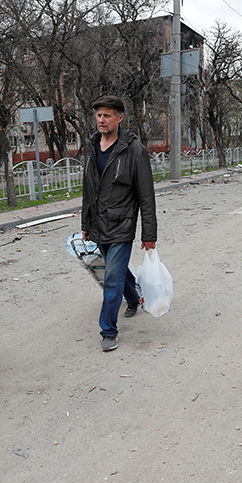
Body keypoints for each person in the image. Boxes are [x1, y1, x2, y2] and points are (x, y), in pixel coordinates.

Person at [81, 95, 158, 352]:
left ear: (120, 118)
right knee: (118, 270)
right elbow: (88, 190)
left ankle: (109, 331)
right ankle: (133, 298)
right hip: (99, 225)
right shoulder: (92, 147)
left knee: (112, 277)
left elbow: (146, 196)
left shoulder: (134, 150)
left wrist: (149, 234)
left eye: (107, 115)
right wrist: (86, 223)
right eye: (99, 115)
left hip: (122, 225)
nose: (101, 120)